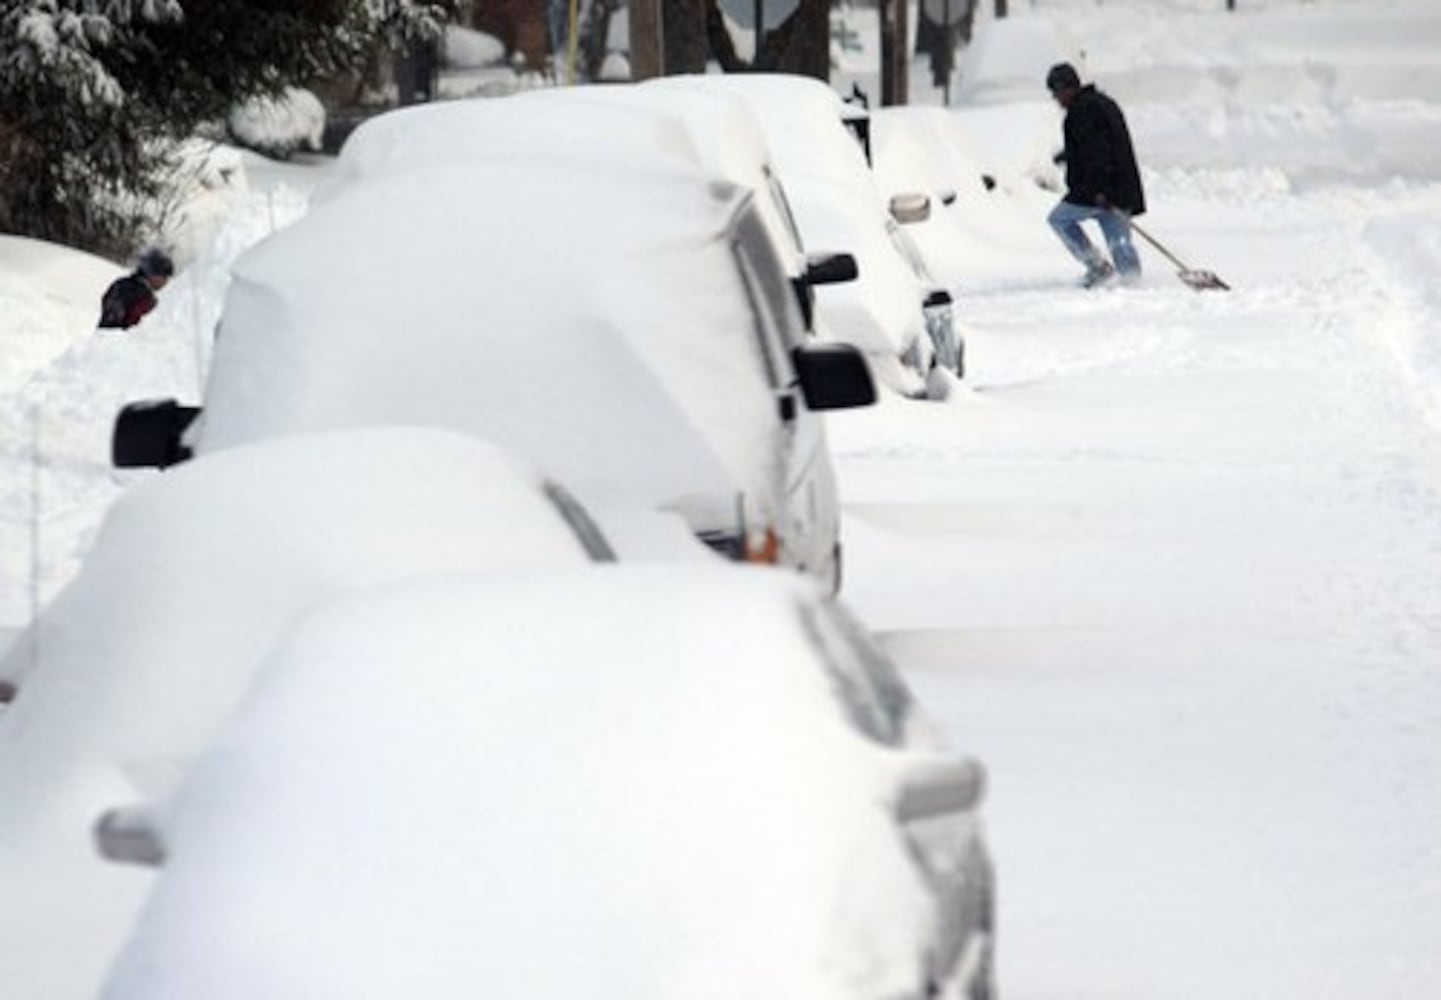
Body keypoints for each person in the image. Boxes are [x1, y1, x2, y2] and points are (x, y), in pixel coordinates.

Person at [1045, 63, 1146, 287]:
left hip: (1098, 191)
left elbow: (1098, 152)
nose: (1056, 99)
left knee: (1059, 219)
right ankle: (1133, 284)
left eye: (1056, 92)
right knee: (1119, 242)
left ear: (1068, 88)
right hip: (1119, 188)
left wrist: (1101, 190)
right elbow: (1102, 145)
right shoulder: (1102, 103)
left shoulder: (1082, 112)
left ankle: (1098, 267)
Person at [98, 247, 173, 330]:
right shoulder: (142, 294)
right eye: (163, 276)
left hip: (103, 338)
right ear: (152, 273)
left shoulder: (121, 284)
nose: (165, 282)